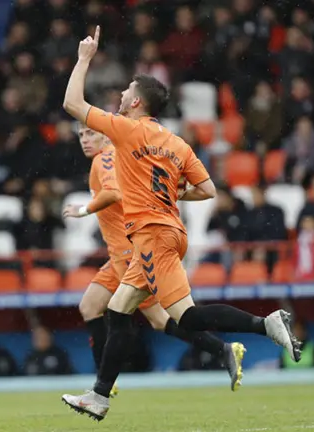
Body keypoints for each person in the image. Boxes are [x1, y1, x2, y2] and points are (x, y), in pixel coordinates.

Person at [60, 27, 301, 421]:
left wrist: (85, 57)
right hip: (164, 232)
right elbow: (206, 189)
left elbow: (72, 102)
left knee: (185, 317)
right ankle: (99, 396)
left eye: (125, 92)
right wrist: (172, 194)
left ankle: (265, 324)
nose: (120, 96)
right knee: (119, 310)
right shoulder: (177, 143)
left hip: (153, 236)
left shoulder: (126, 130)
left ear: (136, 101)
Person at [62, 125, 248, 396]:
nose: (85, 139)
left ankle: (222, 349)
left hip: (131, 254)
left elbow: (114, 192)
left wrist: (83, 209)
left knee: (161, 320)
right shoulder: (112, 159)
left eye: (90, 133)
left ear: (104, 134)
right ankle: (106, 380)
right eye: (80, 135)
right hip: (119, 255)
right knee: (90, 306)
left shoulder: (105, 159)